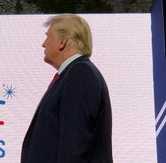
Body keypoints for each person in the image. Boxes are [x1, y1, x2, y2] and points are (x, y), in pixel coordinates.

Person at [21, 14, 112, 163]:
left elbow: (74, 145)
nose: (44, 44)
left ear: (62, 41)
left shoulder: (80, 74)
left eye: (48, 37)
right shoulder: (73, 74)